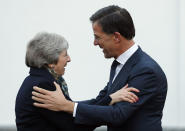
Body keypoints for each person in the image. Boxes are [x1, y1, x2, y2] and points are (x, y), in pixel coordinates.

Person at [32, 5, 168, 131]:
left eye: (98, 37)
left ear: (116, 37)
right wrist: (60, 104)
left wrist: (67, 106)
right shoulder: (119, 64)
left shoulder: (146, 71)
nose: (95, 43)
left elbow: (118, 114)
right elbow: (99, 101)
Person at [15, 32, 139, 131]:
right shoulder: (42, 86)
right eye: (65, 55)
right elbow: (74, 127)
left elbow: (70, 106)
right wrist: (108, 109)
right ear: (51, 62)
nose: (69, 59)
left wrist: (110, 98)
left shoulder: (36, 80)